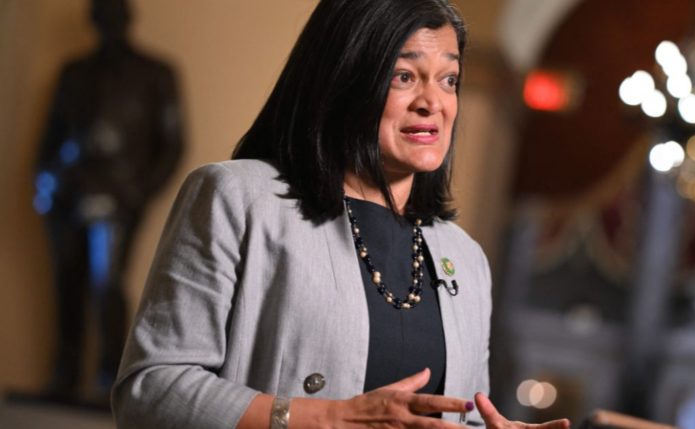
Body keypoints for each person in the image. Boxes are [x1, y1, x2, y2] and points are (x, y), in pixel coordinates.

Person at [112, 1, 569, 428]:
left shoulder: (465, 259)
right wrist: (324, 417)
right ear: (345, 78)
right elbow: (150, 389)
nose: (433, 102)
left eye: (449, 79)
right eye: (404, 76)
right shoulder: (235, 198)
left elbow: (460, 413)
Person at [35, 0, 183, 398]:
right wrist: (45, 183)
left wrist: (137, 193)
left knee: (107, 283)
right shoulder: (74, 72)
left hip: (119, 194)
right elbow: (51, 135)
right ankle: (64, 374)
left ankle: (108, 379)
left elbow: (172, 146)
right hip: (68, 190)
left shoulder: (155, 74)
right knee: (66, 283)